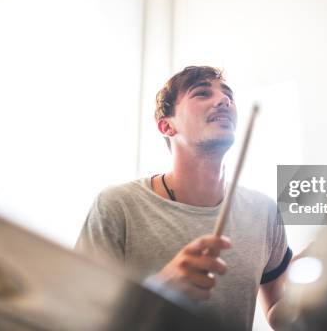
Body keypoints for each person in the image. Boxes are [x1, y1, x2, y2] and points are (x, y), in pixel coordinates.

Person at [75, 66, 292, 330]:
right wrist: (159, 291)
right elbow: (78, 315)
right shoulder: (116, 206)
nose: (224, 101)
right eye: (202, 93)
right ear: (166, 125)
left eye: (229, 96)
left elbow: (279, 315)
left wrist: (312, 293)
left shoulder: (265, 212)